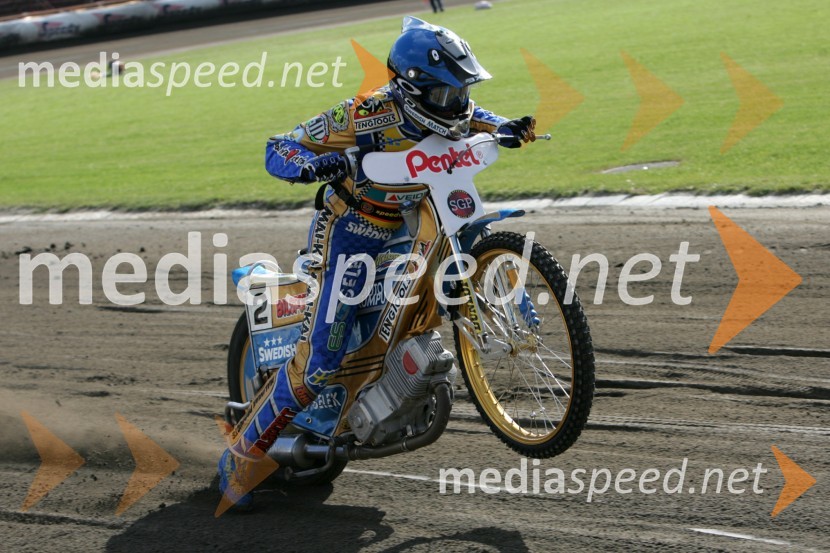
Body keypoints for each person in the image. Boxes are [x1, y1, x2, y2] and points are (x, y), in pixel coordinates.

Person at [218, 16, 536, 508]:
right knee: (321, 358)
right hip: (352, 228)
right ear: (412, 88)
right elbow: (276, 149)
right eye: (447, 93)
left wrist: (504, 126)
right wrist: (315, 164)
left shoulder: (449, 108)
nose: (457, 103)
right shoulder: (362, 115)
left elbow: (474, 117)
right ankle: (240, 455)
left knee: (455, 251)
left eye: (462, 91)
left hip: (413, 217)